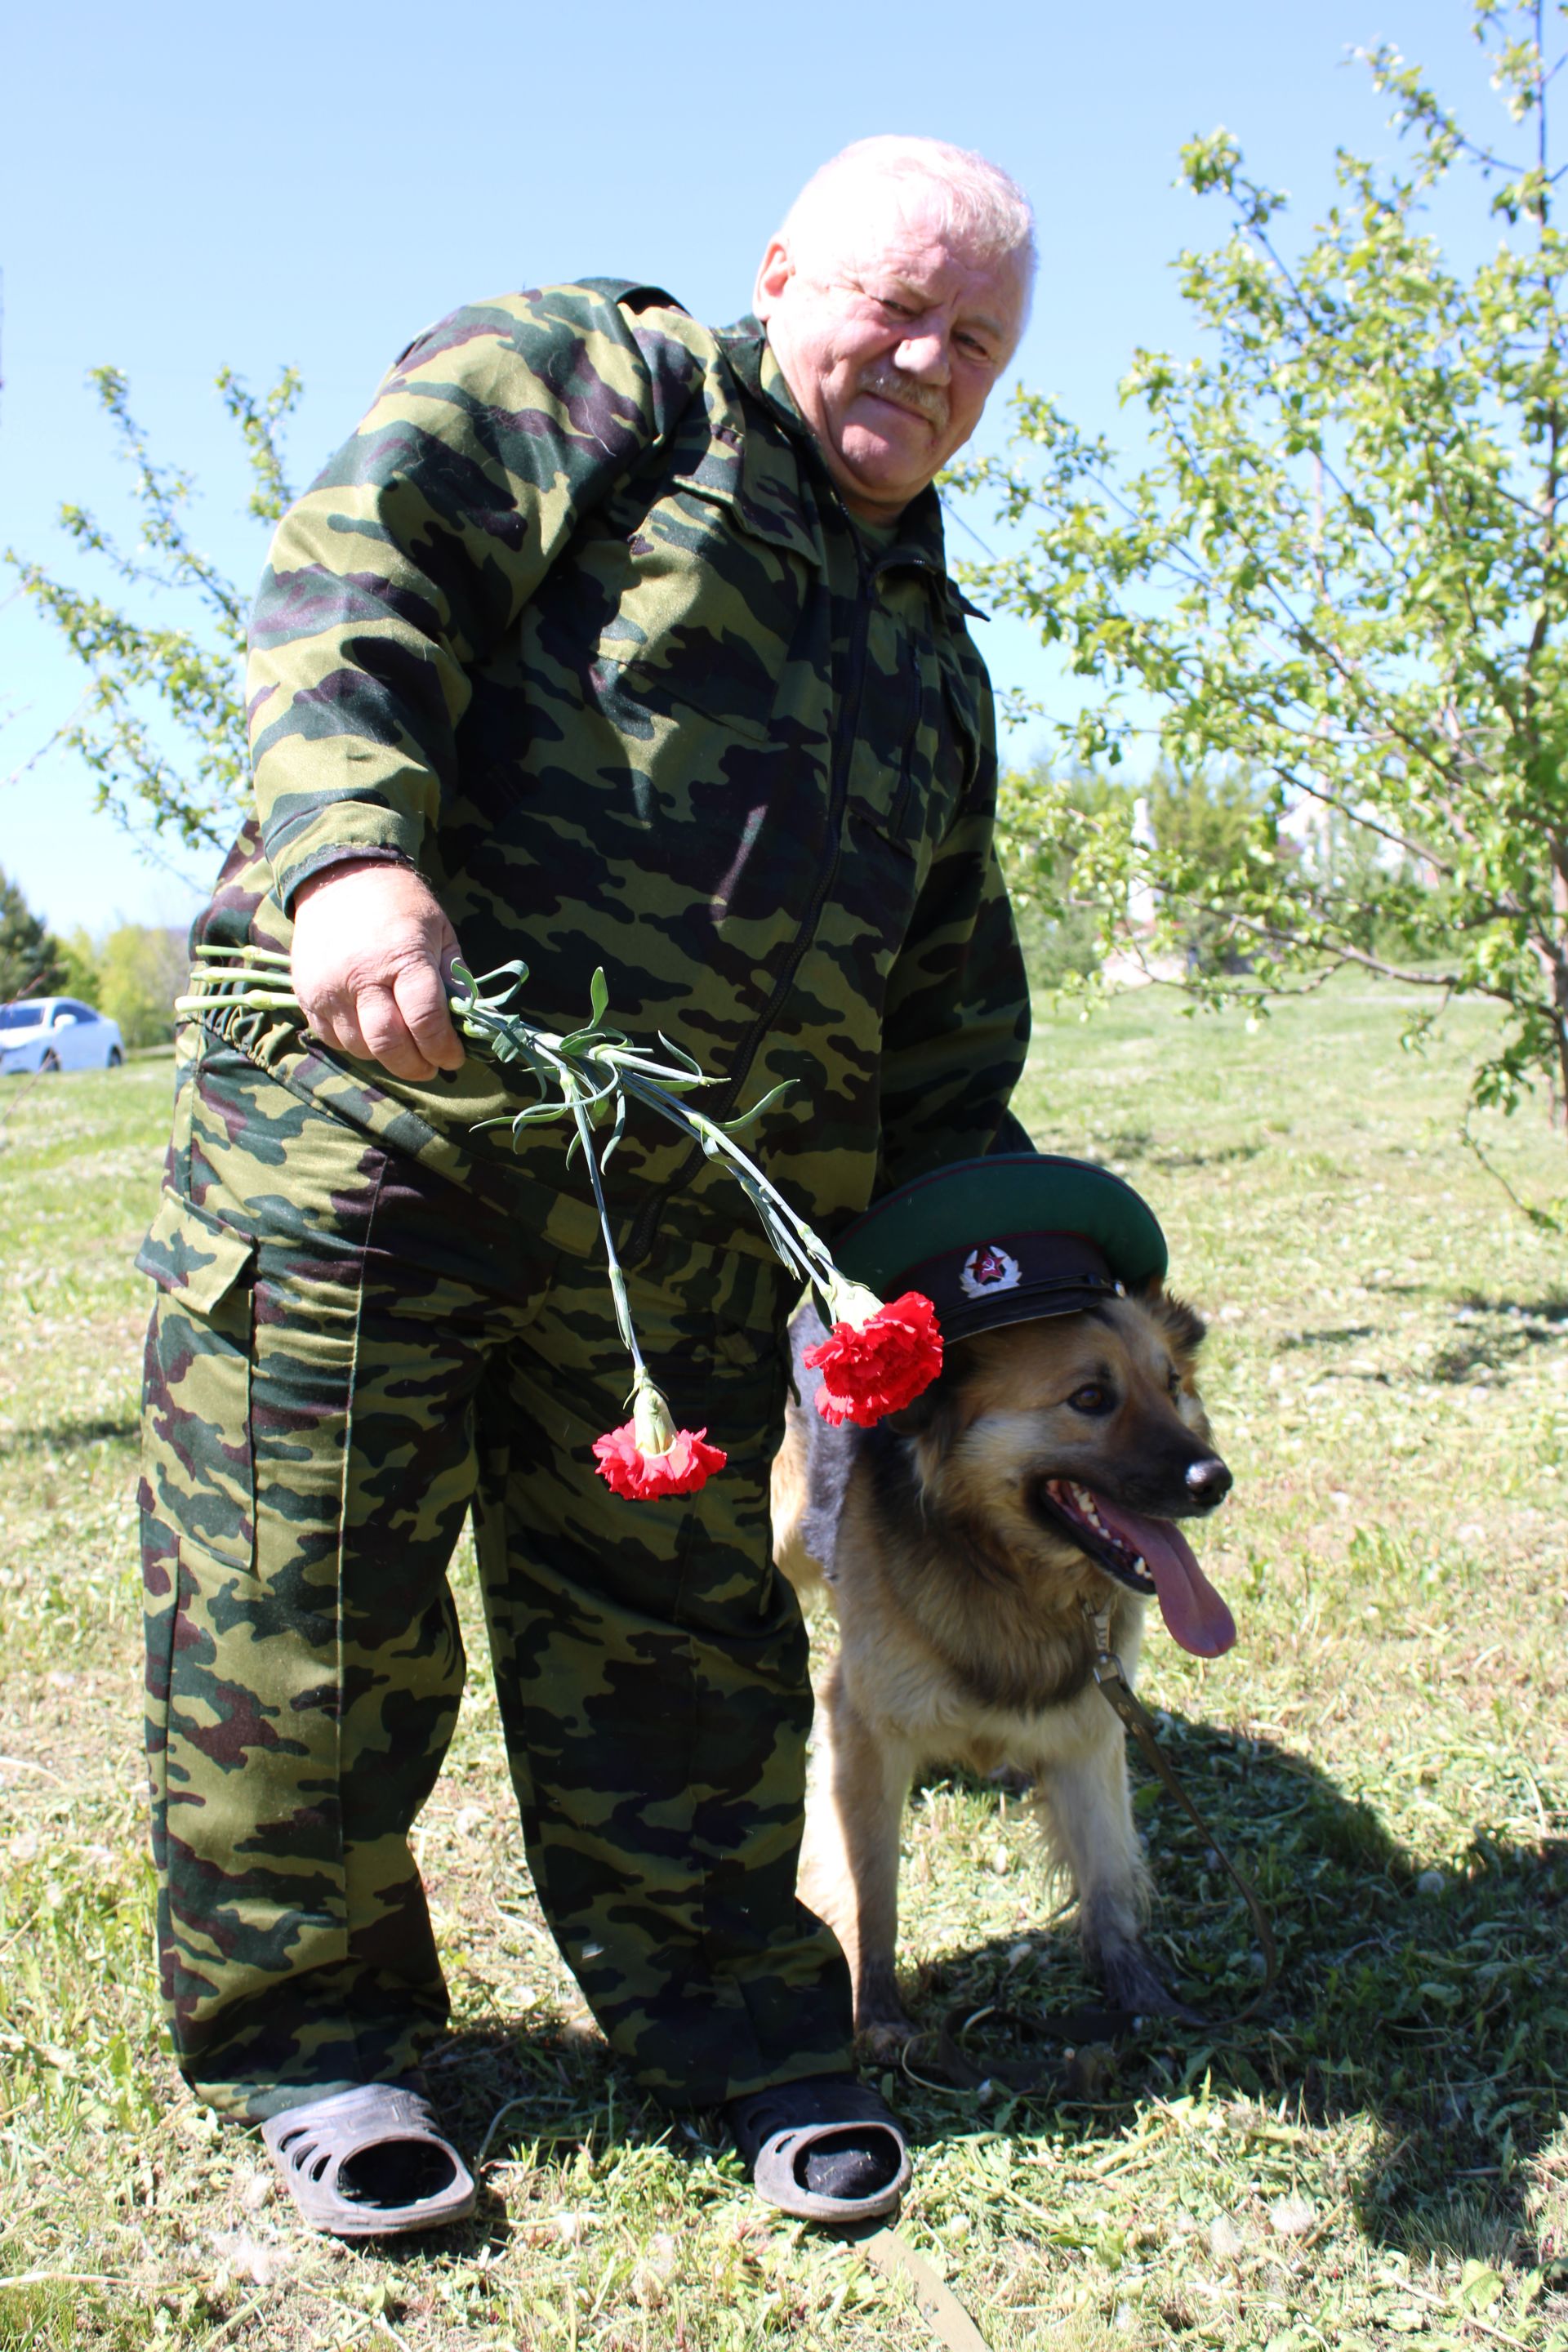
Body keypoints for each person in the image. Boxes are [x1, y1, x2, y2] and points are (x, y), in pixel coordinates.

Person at [138, 134, 1037, 2234]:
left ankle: (737, 2018)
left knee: (680, 1635)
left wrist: (969, 1249)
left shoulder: (929, 635)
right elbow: (361, 574)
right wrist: (356, 855)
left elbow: (946, 991)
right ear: (781, 269)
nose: (925, 357)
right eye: (893, 304)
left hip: (690, 1228)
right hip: (373, 1132)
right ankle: (324, 2042)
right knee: (305, 1603)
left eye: (976, 342)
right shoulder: (593, 387)